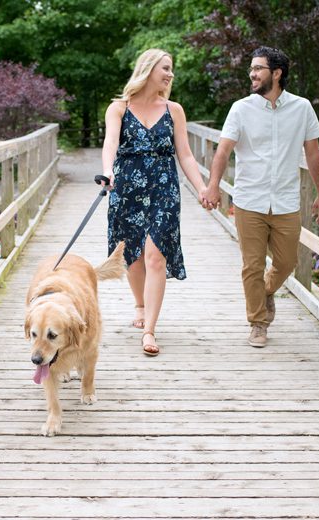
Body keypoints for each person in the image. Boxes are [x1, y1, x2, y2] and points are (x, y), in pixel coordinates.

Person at [202, 46, 319, 348]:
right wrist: (213, 185)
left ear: (277, 73)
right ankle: (258, 323)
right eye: (251, 69)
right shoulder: (241, 108)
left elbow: (313, 154)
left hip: (286, 201)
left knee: (288, 262)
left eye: (258, 68)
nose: (252, 74)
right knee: (252, 265)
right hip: (249, 200)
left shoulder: (302, 108)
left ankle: (265, 291)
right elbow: (223, 150)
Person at [101, 48, 207, 356]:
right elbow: (110, 143)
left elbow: (184, 154)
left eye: (172, 69)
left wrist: (201, 188)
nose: (170, 74)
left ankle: (149, 330)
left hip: (163, 189)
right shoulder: (119, 108)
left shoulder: (174, 110)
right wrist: (108, 171)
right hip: (126, 189)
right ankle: (139, 305)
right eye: (165, 68)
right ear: (148, 69)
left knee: (155, 256)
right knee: (132, 256)